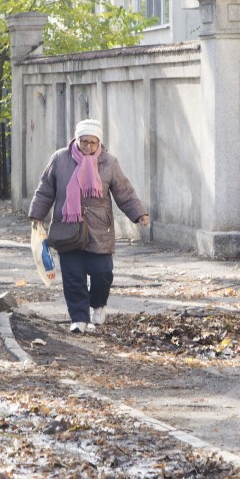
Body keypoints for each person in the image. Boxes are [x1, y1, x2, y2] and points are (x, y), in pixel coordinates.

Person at [28, 119, 150, 333]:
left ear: (99, 142)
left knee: (102, 272)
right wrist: (37, 215)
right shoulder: (60, 159)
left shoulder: (109, 162)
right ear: (76, 139)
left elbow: (124, 191)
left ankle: (98, 304)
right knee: (73, 276)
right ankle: (79, 318)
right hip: (68, 228)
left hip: (99, 229)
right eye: (84, 142)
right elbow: (46, 189)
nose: (88, 147)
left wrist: (139, 214)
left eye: (93, 143)